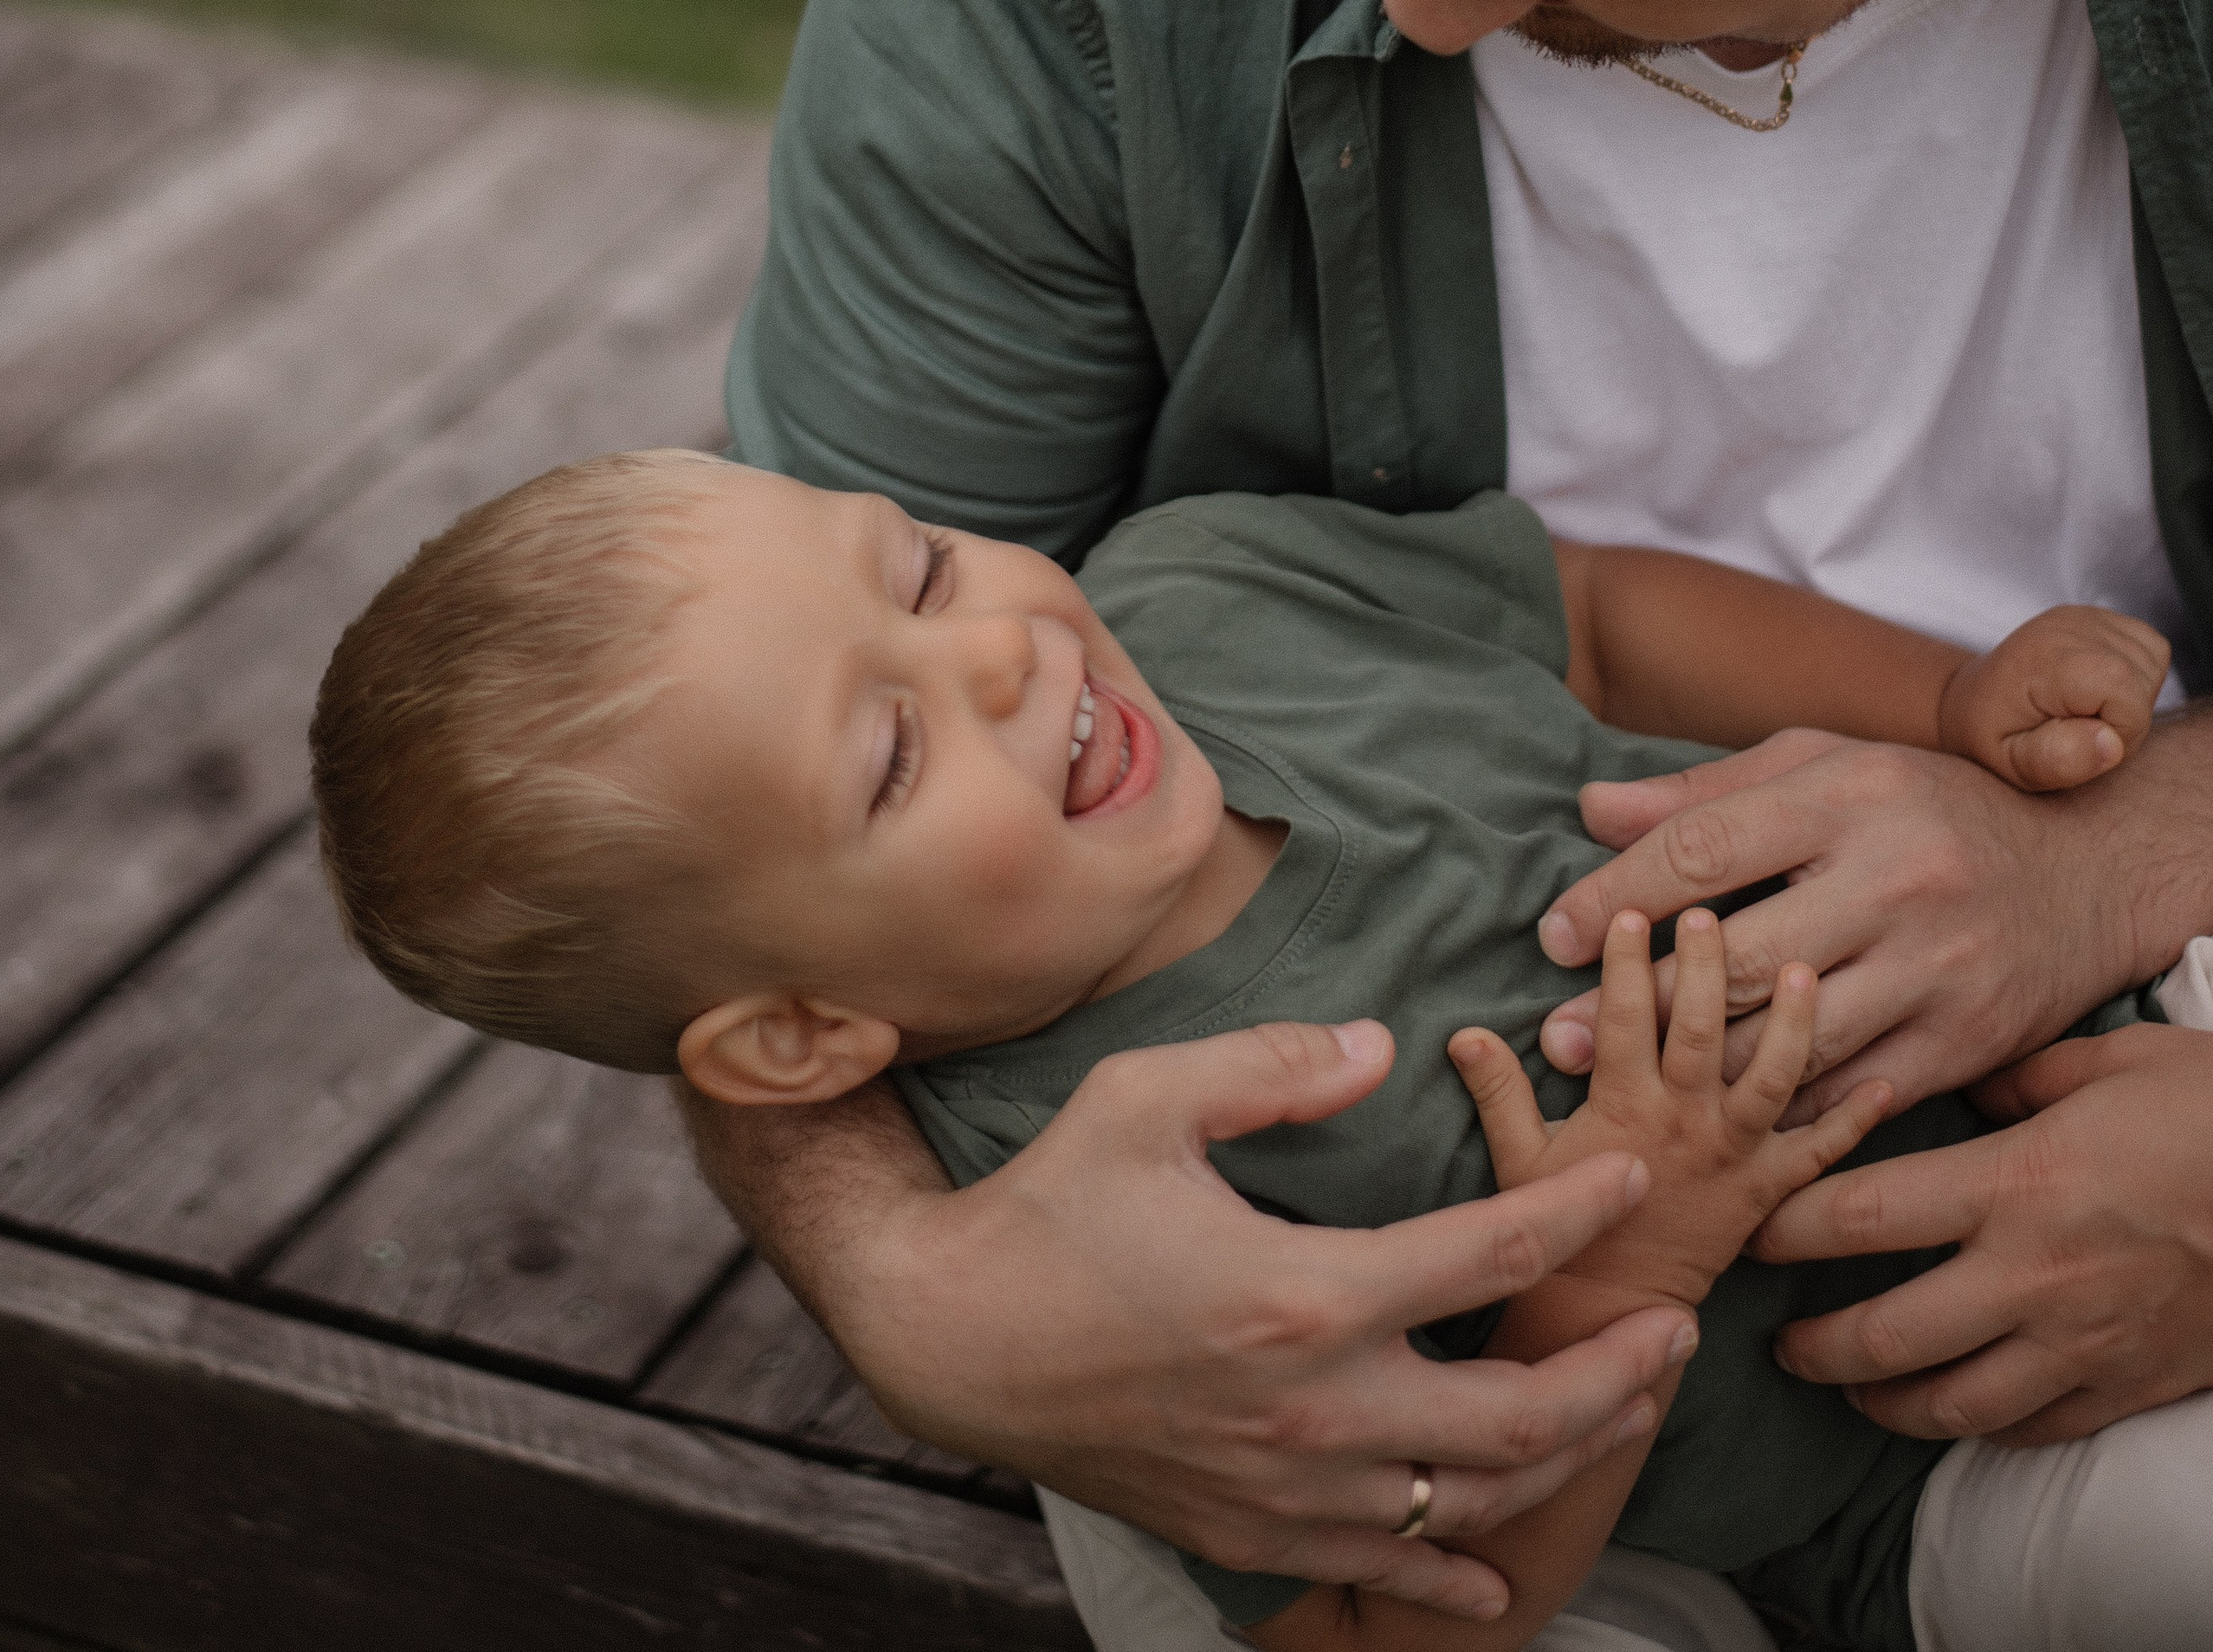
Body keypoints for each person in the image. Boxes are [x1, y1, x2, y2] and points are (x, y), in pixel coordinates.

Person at [708, 0, 2213, 1646]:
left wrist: (2120, 855)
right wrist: (921, 1294)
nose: (1412, 0)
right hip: (1373, 1216)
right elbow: (737, 778)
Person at [307, 448, 2202, 1652]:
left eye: (918, 571)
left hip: (2120, 1007)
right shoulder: (1078, 1224)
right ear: (801, 1030)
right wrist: (1623, 1270)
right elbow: (1391, 1635)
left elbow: (1598, 617)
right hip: (1926, 1476)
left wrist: (1946, 701)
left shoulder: (1208, 585)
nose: (1000, 653)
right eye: (889, 754)